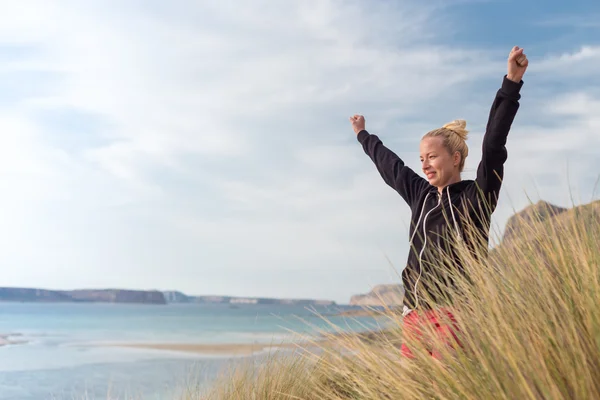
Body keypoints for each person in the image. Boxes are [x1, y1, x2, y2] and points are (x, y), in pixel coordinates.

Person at [350, 46, 528, 358]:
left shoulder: (478, 195)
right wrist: (363, 135)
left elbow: (494, 143)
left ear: (455, 158)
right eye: (422, 158)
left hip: (455, 312)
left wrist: (511, 84)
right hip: (414, 313)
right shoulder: (421, 194)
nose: (425, 164)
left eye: (432, 156)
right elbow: (390, 165)